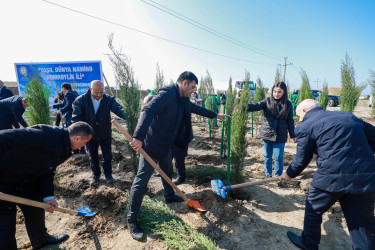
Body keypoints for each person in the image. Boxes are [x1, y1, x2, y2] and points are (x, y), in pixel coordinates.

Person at [127, 71, 228, 241]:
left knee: (167, 171)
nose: (194, 91)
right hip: (151, 145)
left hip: (167, 145)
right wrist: (138, 137)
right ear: (184, 83)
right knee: (141, 181)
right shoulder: (167, 94)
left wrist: (214, 115)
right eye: (193, 87)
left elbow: (194, 108)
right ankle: (131, 220)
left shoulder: (184, 99)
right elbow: (148, 110)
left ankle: (169, 195)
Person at [280, 99, 375, 250]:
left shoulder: (306, 125)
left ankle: (309, 242)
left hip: (331, 177)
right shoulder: (349, 116)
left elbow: (302, 159)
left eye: (298, 116)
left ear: (304, 111)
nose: (299, 120)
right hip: (364, 176)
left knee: (314, 209)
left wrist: (289, 173)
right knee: (362, 223)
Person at [0, 121, 93, 250]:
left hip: (27, 179)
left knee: (35, 209)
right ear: (77, 138)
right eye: (85, 142)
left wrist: (48, 196)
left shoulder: (65, 149)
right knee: (5, 222)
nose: (84, 145)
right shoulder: (46, 134)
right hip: (4, 179)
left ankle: (40, 240)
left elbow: (48, 170)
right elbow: (4, 137)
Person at [72, 80, 126, 186]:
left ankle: (108, 175)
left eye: (101, 92)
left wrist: (130, 117)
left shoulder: (108, 100)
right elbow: (76, 118)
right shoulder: (81, 100)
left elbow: (119, 110)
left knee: (107, 155)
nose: (99, 95)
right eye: (96, 92)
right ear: (91, 89)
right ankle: (95, 176)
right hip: (89, 135)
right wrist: (80, 132)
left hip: (105, 132)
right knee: (93, 156)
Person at [247, 82, 296, 178]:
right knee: (267, 155)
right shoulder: (267, 101)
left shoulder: (288, 104)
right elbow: (256, 105)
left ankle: (278, 176)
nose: (276, 94)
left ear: (284, 92)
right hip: (267, 132)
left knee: (278, 157)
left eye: (279, 92)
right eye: (274, 91)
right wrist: (244, 106)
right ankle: (267, 174)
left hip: (281, 134)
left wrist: (293, 135)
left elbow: (290, 120)